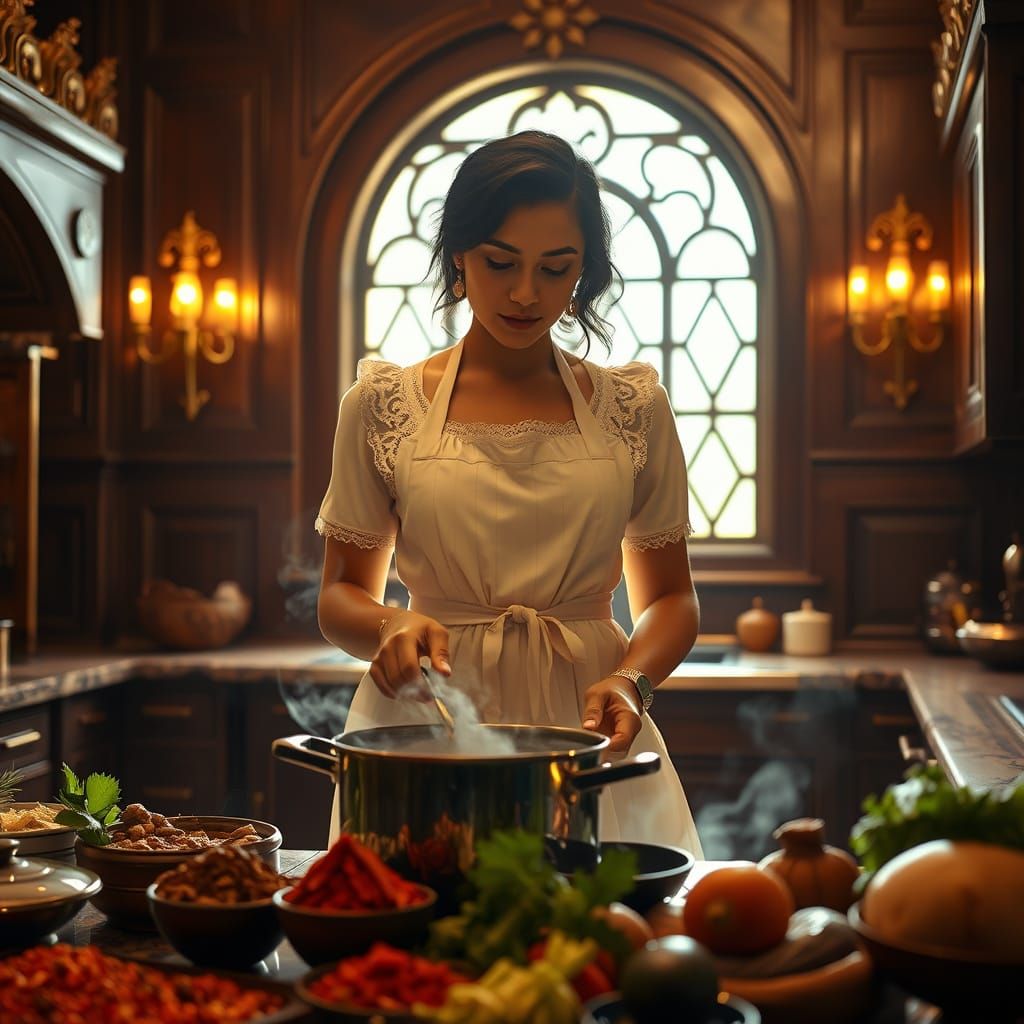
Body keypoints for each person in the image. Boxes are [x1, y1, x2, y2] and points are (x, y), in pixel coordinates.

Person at [315, 130, 703, 855]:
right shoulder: (381, 404)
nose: (528, 294)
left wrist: (632, 683)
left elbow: (673, 600)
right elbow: (339, 597)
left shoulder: (634, 408)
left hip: (590, 733)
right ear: (458, 254)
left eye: (557, 269)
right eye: (501, 263)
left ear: (583, 275)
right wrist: (389, 627)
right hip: (428, 719)